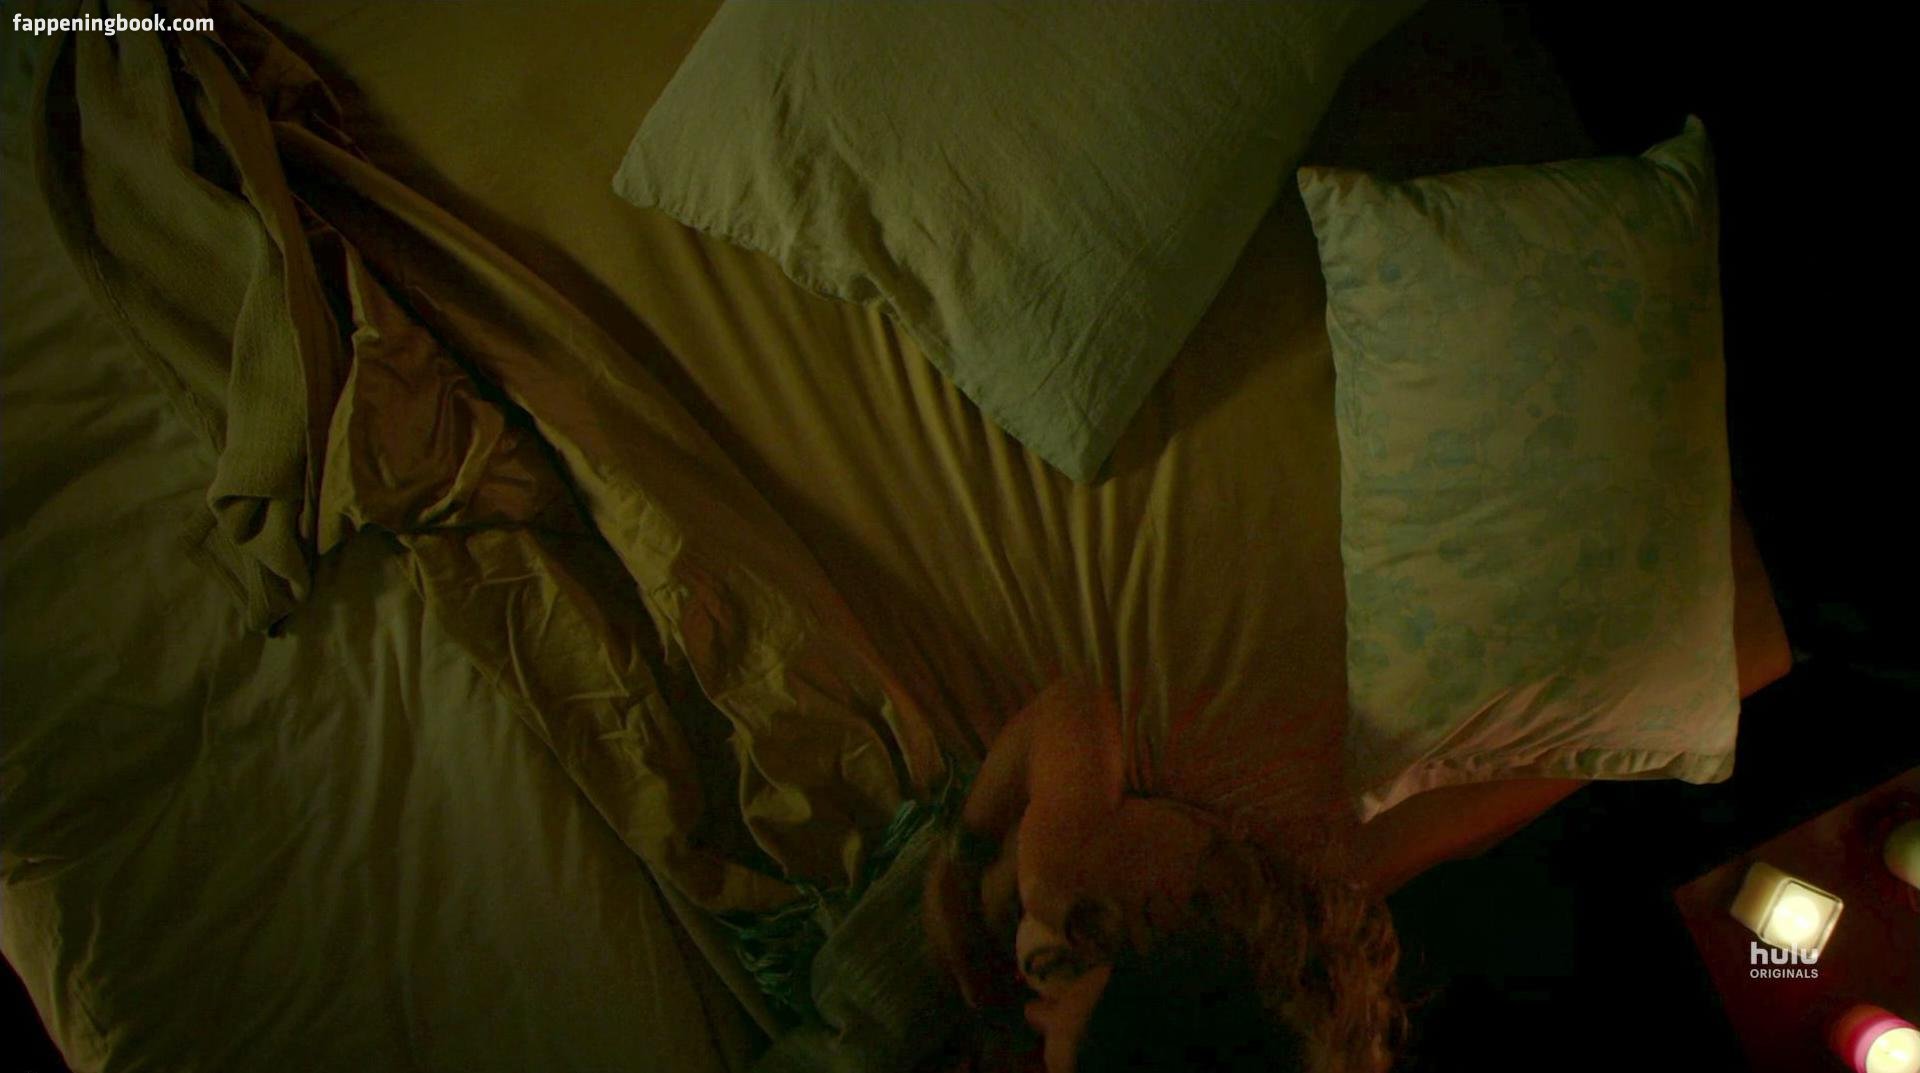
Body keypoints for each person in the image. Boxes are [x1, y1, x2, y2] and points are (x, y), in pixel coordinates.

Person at [923, 677, 1404, 1073]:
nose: (1038, 1015)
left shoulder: (1313, 1025)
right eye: (1069, 1018)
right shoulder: (1080, 880)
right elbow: (1069, 704)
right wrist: (961, 858)